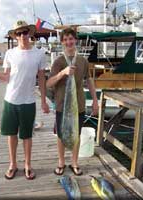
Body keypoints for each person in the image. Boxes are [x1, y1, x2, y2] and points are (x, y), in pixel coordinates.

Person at [0, 20, 49, 180]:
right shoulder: (10, 53)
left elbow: (42, 79)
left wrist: (44, 101)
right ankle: (13, 164)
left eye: (25, 32)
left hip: (29, 102)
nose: (22, 35)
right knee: (11, 135)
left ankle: (27, 164)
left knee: (27, 136)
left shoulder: (39, 54)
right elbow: (5, 77)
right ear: (15, 36)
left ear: (29, 34)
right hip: (10, 100)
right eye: (19, 33)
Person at [46, 28, 98, 176]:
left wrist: (95, 101)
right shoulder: (58, 61)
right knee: (61, 135)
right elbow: (49, 83)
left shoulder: (82, 61)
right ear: (62, 42)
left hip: (79, 105)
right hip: (62, 105)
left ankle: (75, 163)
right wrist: (63, 73)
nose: (69, 42)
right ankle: (61, 163)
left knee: (76, 133)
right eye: (66, 39)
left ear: (75, 40)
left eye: (71, 39)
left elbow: (89, 81)